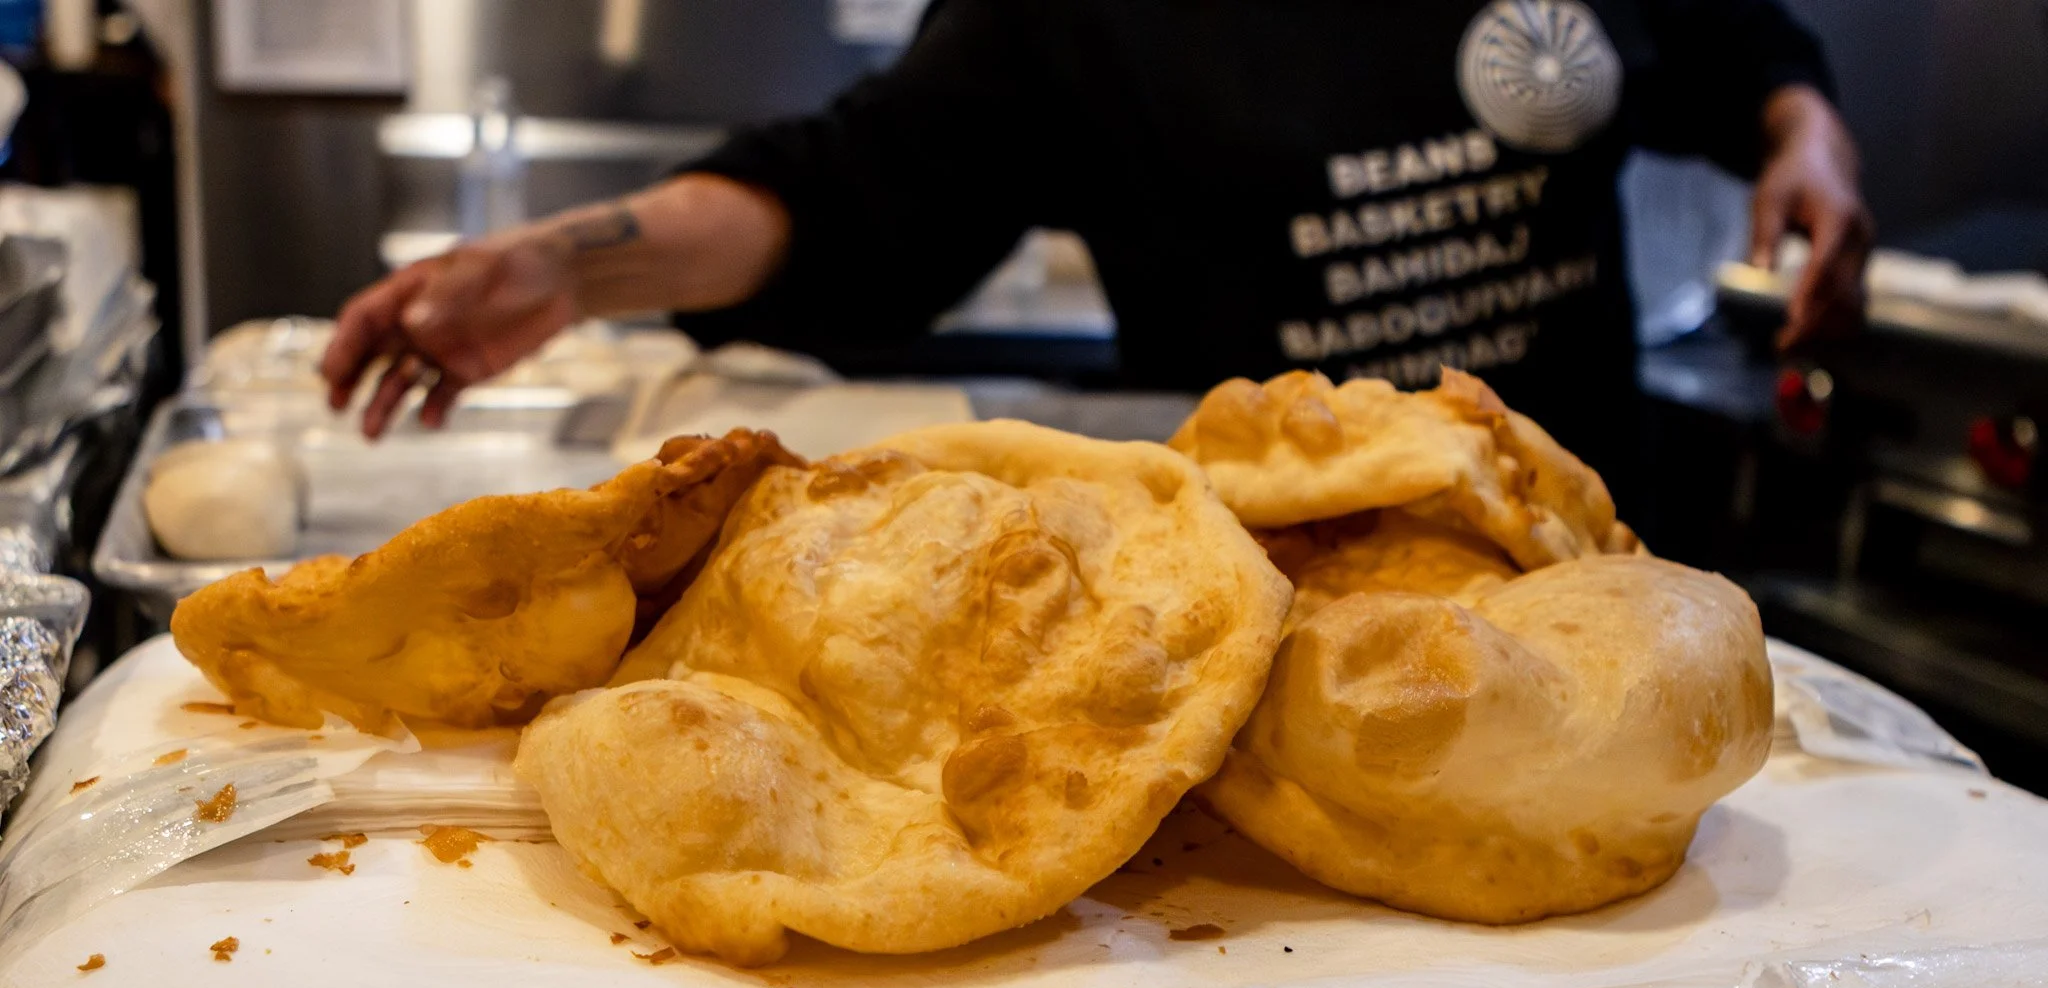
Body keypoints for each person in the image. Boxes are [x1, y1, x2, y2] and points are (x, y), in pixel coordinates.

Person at [322, 0, 1870, 509]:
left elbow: (1730, 38)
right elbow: (858, 189)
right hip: (1299, 573)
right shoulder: (1079, 13)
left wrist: (1808, 134)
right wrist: (577, 266)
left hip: (1585, 518)